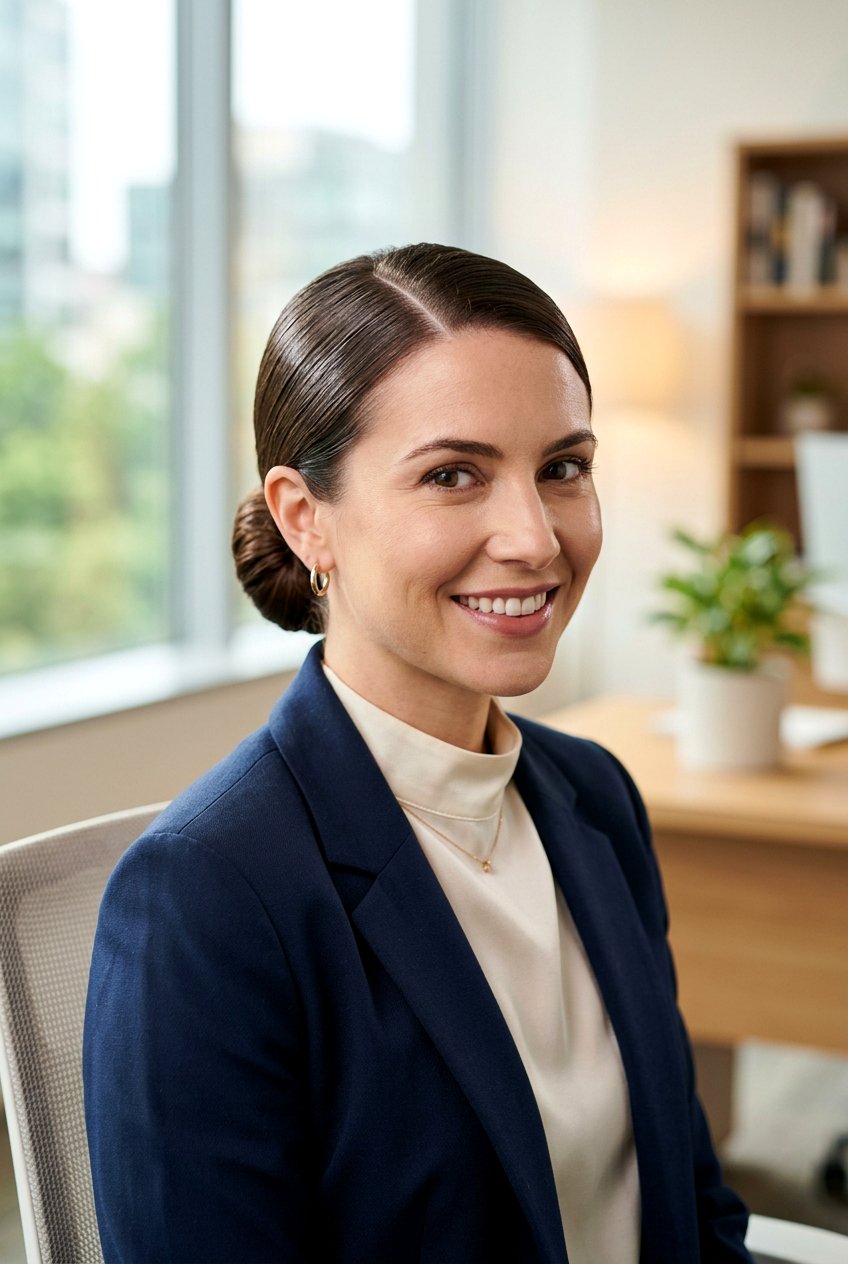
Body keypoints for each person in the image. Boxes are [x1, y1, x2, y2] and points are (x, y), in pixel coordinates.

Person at [83, 243, 753, 1263]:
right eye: (452, 475)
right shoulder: (208, 897)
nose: (533, 537)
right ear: (307, 518)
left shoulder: (593, 798)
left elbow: (691, 1210)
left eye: (562, 468)